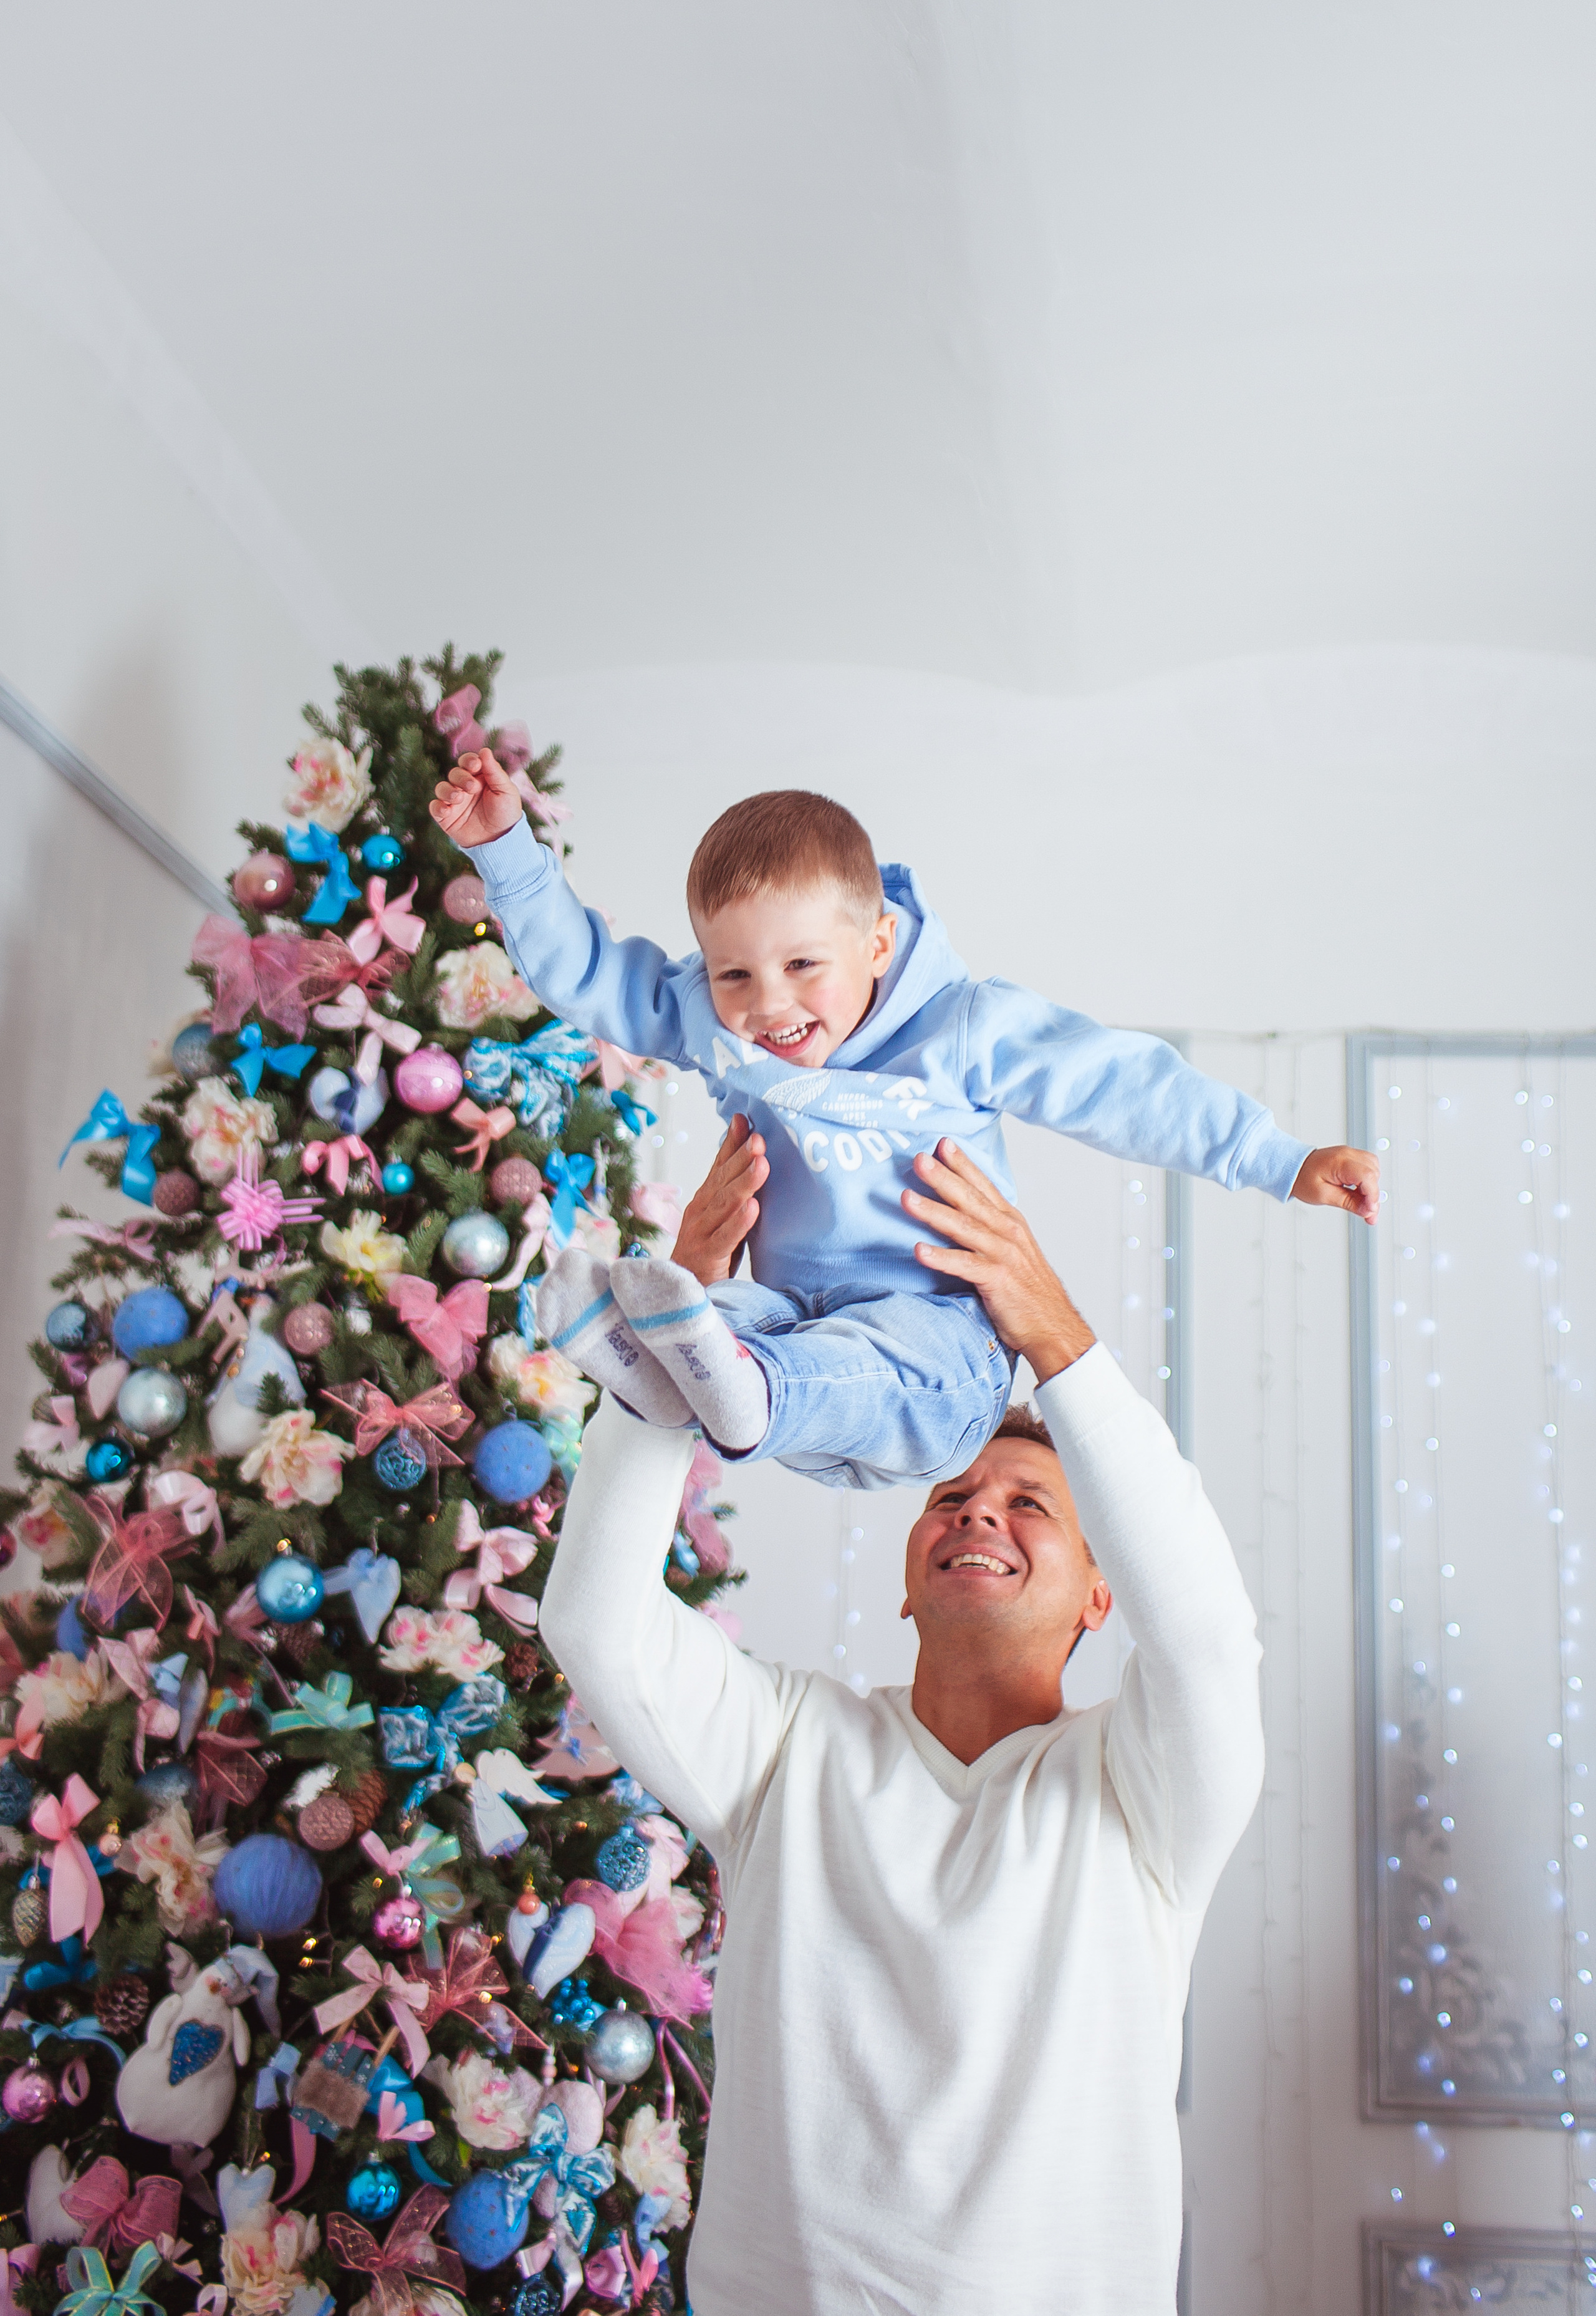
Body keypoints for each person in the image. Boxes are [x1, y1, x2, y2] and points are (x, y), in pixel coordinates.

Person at [540, 1132, 1266, 2316]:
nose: (979, 1513)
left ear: (1102, 1592)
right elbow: (594, 1623)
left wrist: (1055, 1339)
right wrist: (666, 1354)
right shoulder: (787, 1748)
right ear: (906, 1579)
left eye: (1031, 1505)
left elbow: (1208, 1643)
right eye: (953, 1495)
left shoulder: (1140, 1792)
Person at [432, 763, 1377, 1487]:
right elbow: (594, 976)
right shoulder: (713, 1025)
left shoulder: (962, 1028)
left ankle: (737, 1379)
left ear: (878, 940)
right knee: (729, 1325)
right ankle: (652, 1360)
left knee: (874, 1361)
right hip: (791, 1334)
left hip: (943, 1347)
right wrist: (506, 850)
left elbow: (1117, 1084)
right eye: (734, 975)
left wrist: (1275, 1158)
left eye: (803, 965)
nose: (768, 1004)